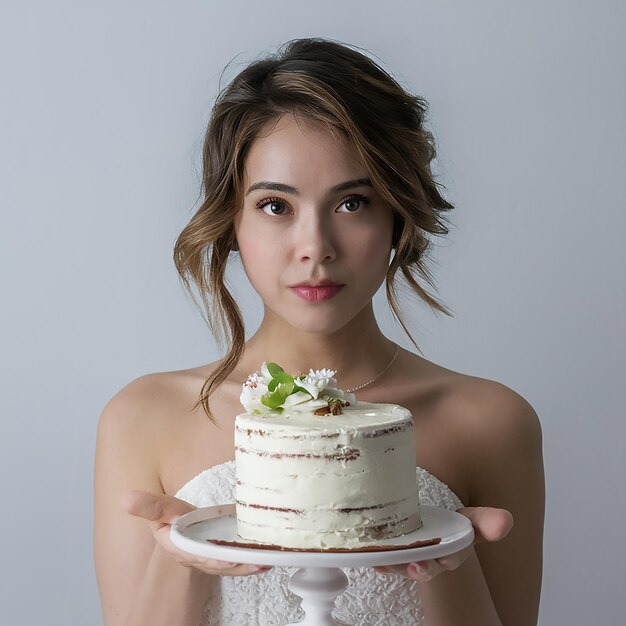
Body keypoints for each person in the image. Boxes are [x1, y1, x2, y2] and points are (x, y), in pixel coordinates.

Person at [94, 37, 544, 626]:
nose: (315, 248)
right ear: (232, 223)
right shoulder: (142, 417)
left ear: (397, 218)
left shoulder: (490, 421)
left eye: (353, 202)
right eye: (276, 206)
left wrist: (445, 565)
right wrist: (181, 558)